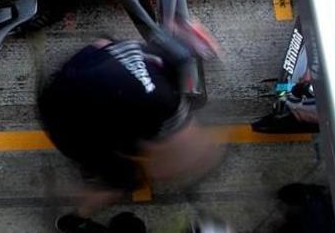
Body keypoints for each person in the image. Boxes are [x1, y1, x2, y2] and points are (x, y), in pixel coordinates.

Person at [39, 39, 223, 233]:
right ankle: (75, 221)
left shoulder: (141, 49)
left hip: (59, 91)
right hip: (71, 126)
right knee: (122, 179)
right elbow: (161, 169)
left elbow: (101, 43)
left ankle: (92, 166)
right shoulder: (166, 103)